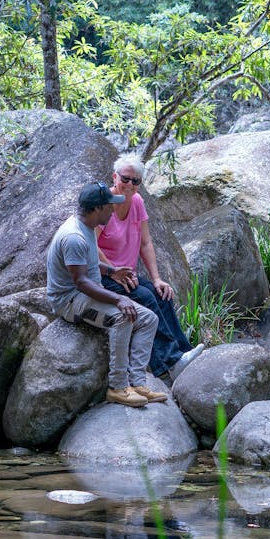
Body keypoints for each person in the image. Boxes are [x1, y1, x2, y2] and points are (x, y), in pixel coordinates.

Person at [46, 182, 168, 408]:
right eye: (109, 206)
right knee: (122, 317)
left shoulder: (87, 227)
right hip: (70, 302)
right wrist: (118, 298)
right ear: (96, 209)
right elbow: (81, 282)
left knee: (149, 318)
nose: (113, 210)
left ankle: (137, 383)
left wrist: (111, 271)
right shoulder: (74, 236)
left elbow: (89, 263)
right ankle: (118, 387)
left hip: (86, 293)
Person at [96, 155, 203, 381]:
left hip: (126, 275)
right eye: (126, 179)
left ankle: (183, 353)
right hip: (102, 274)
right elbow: (90, 245)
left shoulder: (137, 202)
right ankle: (168, 364)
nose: (130, 185)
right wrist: (114, 271)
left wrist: (157, 278)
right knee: (145, 297)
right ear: (115, 177)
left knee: (161, 294)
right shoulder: (103, 204)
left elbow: (146, 243)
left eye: (136, 181)